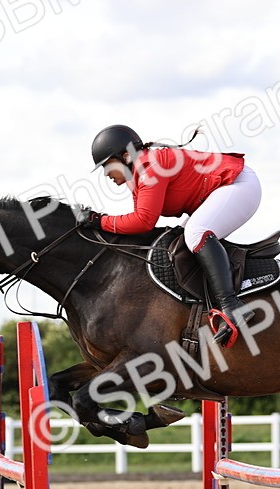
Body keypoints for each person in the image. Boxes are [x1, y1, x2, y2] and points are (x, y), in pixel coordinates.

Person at [84, 124, 263, 347]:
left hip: (238, 185)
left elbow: (143, 221)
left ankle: (231, 305)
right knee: (182, 239)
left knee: (196, 234)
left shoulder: (150, 167)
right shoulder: (138, 173)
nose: (106, 174)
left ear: (126, 156)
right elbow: (142, 222)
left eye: (107, 165)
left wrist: (98, 221)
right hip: (223, 190)